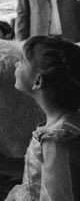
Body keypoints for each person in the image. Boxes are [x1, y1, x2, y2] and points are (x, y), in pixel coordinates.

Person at [5, 35, 80, 201]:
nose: (16, 64)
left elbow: (59, 196)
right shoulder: (60, 124)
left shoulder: (59, 139)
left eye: (22, 61)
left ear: (38, 81)